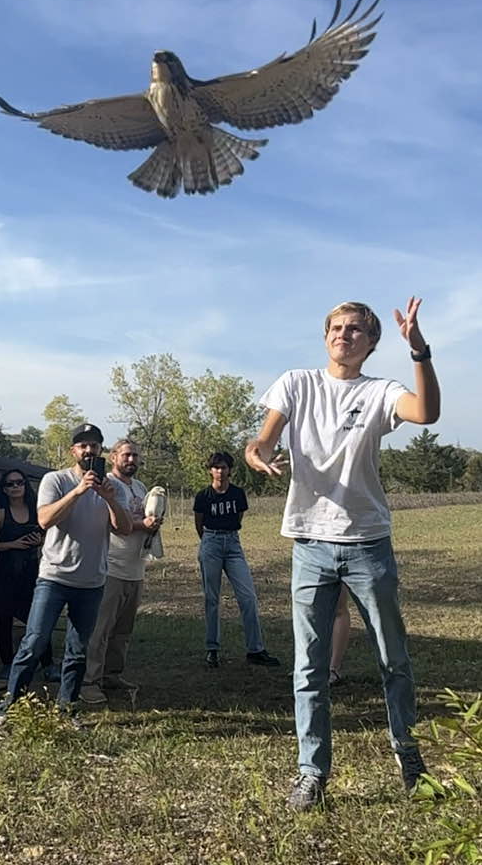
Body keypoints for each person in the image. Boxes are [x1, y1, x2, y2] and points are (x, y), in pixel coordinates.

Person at [245, 298, 440, 809]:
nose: (344, 335)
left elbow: (426, 412)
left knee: (392, 657)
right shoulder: (296, 383)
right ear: (325, 335)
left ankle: (408, 754)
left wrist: (420, 351)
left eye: (355, 330)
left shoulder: (380, 392)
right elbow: (262, 441)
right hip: (309, 543)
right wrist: (257, 454)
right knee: (308, 668)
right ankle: (312, 772)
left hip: (369, 544)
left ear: (372, 343)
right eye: (336, 327)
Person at [0, 424, 132, 730]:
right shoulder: (56, 480)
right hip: (53, 577)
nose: (89, 450)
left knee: (78, 650)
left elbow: (124, 528)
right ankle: (9, 707)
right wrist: (79, 491)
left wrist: (108, 498)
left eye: (94, 445)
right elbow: (44, 519)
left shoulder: (113, 487)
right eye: (83, 446)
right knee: (34, 641)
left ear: (101, 451)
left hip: (92, 581)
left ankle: (67, 710)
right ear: (73, 451)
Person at [81, 438, 163, 705]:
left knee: (122, 630)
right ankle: (89, 682)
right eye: (126, 455)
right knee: (101, 629)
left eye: (135, 456)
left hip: (136, 567)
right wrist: (144, 524)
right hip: (112, 566)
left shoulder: (140, 487)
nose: (132, 460)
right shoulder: (107, 484)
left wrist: (154, 523)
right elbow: (115, 523)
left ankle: (112, 674)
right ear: (114, 456)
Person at [193, 451, 280, 668]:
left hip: (233, 544)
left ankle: (255, 649)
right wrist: (208, 542)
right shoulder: (203, 496)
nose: (219, 471)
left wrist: (227, 536)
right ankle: (212, 649)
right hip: (211, 542)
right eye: (216, 467)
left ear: (230, 470)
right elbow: (199, 524)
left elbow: (238, 518)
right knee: (212, 599)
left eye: (223, 467)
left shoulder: (237, 494)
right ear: (210, 471)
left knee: (248, 596)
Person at [0, 469, 58, 681]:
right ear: (4, 489)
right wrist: (13, 544)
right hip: (5, 572)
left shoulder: (35, 510)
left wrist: (38, 541)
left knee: (39, 620)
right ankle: (7, 664)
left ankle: (48, 665)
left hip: (31, 571)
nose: (15, 487)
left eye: (19, 482)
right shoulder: (0, 513)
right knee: (4, 619)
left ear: (25, 485)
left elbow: (48, 534)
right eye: (10, 484)